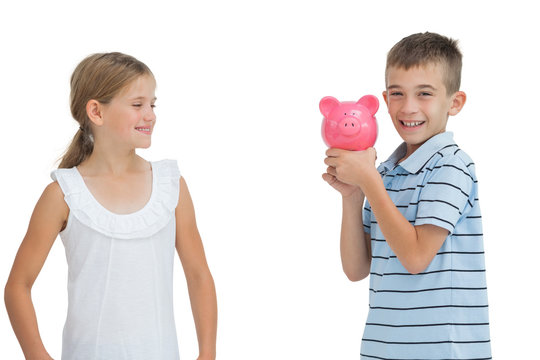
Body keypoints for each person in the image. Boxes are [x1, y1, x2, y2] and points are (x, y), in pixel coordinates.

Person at [4, 52, 217, 360]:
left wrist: (207, 353)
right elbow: (18, 286)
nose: (150, 115)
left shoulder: (171, 186)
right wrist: (37, 355)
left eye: (152, 104)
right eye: (137, 104)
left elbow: (198, 275)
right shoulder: (63, 194)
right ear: (96, 112)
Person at [323, 32, 491, 359]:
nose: (408, 107)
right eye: (397, 93)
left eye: (424, 93)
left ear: (454, 102)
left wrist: (370, 182)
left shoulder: (451, 166)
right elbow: (356, 269)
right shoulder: (385, 172)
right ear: (384, 101)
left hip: (445, 352)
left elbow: (415, 258)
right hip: (384, 349)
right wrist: (353, 196)